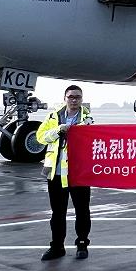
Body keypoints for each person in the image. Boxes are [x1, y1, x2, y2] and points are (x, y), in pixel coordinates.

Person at [37, 85, 94, 261]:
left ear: (82, 99)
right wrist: (58, 130)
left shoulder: (88, 119)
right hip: (56, 172)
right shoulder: (53, 117)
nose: (74, 100)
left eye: (77, 97)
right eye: (71, 97)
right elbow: (40, 137)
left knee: (82, 211)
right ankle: (57, 247)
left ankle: (82, 244)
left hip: (78, 173)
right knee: (57, 213)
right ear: (65, 98)